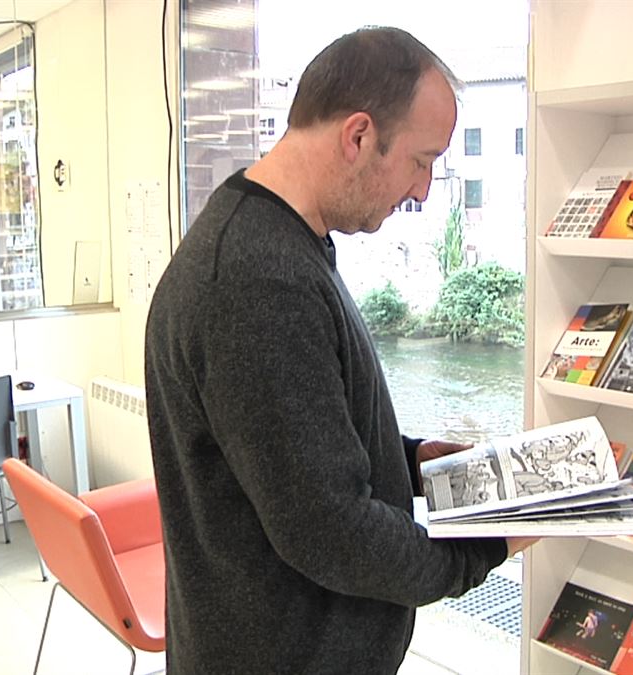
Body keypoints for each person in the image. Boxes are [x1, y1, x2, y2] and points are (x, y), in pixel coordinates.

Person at [145, 27, 534, 674]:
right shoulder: (257, 281)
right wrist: (491, 543)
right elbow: (330, 531)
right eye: (422, 160)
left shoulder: (277, 241)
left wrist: (412, 461)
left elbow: (293, 449)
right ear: (358, 136)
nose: (424, 190)